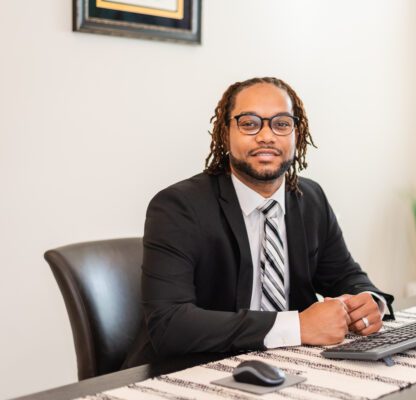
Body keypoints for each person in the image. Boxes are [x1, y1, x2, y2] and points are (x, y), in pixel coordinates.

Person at [124, 77, 394, 368]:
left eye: (281, 124)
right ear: (225, 132)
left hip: (290, 368)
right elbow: (170, 325)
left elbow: (344, 274)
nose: (266, 136)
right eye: (250, 123)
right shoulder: (178, 207)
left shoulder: (310, 198)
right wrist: (297, 326)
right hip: (192, 371)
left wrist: (368, 301)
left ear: (296, 134)